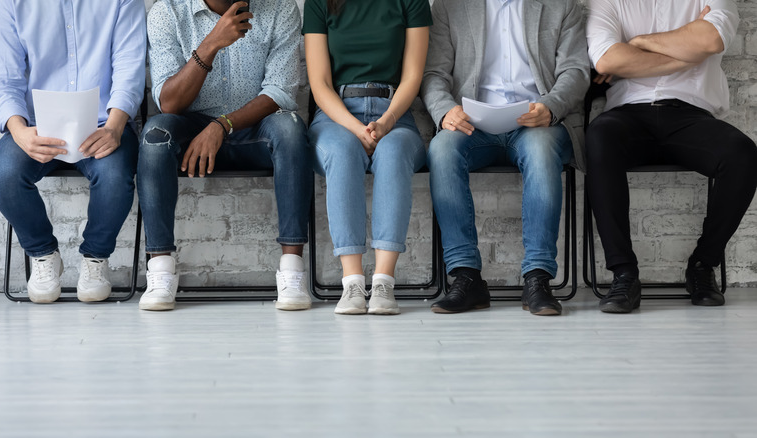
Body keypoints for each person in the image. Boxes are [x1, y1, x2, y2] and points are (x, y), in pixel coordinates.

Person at [138, 0, 312, 311]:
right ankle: (160, 270)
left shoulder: (280, 9)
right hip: (191, 130)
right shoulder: (167, 12)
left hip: (255, 129)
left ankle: (292, 270)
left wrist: (224, 124)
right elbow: (169, 103)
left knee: (291, 129)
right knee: (154, 135)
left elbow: (281, 91)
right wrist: (211, 44)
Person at [586, 0, 757, 313]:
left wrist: (639, 44)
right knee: (599, 137)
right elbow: (608, 60)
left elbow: (710, 40)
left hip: (691, 115)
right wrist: (688, 52)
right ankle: (624, 273)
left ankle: (702, 266)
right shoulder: (609, 2)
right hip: (627, 115)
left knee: (742, 154)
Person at [421, 0, 589, 315]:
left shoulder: (562, 5)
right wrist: (445, 110)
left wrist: (551, 106)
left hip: (537, 121)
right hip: (474, 123)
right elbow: (433, 73)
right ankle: (466, 275)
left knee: (540, 152)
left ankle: (537, 277)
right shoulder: (449, 6)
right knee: (442, 149)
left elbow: (576, 70)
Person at [0, 0, 146, 303]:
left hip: (104, 123)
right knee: (5, 173)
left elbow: (130, 67)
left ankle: (95, 259)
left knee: (115, 176)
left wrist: (114, 127)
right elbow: (3, 79)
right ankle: (43, 255)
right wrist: (19, 131)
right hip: (36, 127)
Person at [303, 0, 431, 315]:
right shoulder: (318, 2)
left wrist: (385, 123)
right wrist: (357, 129)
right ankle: (353, 284)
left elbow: (412, 77)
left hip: (395, 115)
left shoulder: (411, 2)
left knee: (394, 150)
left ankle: (384, 282)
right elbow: (319, 85)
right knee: (343, 151)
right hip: (336, 116)